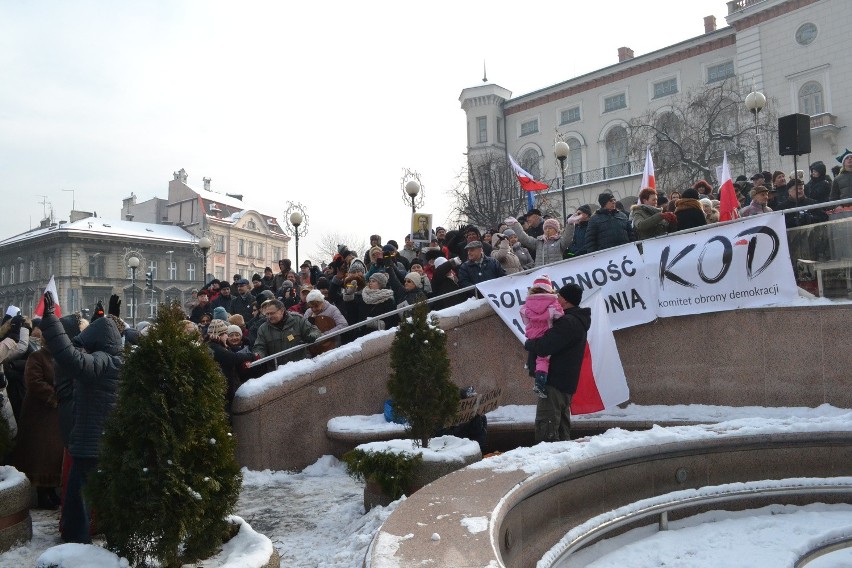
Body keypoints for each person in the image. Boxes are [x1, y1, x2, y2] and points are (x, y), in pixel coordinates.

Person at [40, 291, 122, 543]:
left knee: (78, 501)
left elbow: (70, 356)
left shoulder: (104, 361)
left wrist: (51, 321)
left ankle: (76, 547)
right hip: (102, 440)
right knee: (97, 496)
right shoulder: (117, 359)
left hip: (92, 443)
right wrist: (107, 319)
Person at [523, 284, 591, 443]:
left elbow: (543, 346)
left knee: (547, 431)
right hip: (564, 383)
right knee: (561, 430)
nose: (555, 298)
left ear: (565, 301)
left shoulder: (567, 322)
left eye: (558, 296)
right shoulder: (575, 320)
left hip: (555, 383)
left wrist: (528, 343)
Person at [8, 319, 64, 509]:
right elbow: (34, 381)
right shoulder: (37, 357)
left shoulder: (60, 357)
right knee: (40, 456)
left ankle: (50, 490)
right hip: (38, 415)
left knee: (53, 456)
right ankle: (42, 493)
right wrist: (53, 395)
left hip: (54, 416)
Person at [519, 276, 563, 399]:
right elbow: (559, 316)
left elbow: (525, 318)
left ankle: (529, 364)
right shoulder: (553, 303)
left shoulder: (527, 304)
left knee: (535, 352)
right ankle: (540, 383)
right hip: (546, 333)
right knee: (543, 359)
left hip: (532, 334)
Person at [252, 299, 321, 371]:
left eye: (272, 313)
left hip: (300, 366)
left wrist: (312, 336)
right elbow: (259, 346)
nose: (269, 317)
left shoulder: (297, 320)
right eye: (267, 314)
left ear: (282, 311)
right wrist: (258, 355)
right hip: (278, 371)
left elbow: (314, 330)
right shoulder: (263, 329)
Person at [504, 215, 576, 267]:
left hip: (556, 273)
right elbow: (525, 238)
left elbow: (568, 238)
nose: (547, 230)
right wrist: (516, 225)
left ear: (556, 230)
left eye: (550, 228)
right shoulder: (538, 242)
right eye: (546, 228)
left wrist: (570, 224)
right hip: (540, 274)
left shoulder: (560, 242)